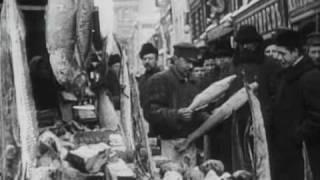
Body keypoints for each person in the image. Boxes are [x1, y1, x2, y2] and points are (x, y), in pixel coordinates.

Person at [143, 42, 207, 166]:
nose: (191, 66)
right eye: (187, 62)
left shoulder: (194, 82)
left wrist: (206, 116)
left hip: (190, 144)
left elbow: (198, 112)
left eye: (193, 63)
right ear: (176, 59)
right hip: (167, 144)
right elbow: (150, 113)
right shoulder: (159, 80)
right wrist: (177, 114)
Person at [270, 29, 320, 180]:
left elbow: (317, 116)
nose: (278, 58)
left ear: (295, 52)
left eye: (282, 53)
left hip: (304, 154)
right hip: (288, 153)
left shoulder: (310, 77)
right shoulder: (287, 74)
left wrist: (296, 136)